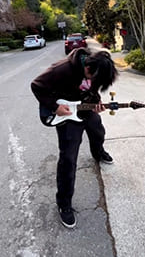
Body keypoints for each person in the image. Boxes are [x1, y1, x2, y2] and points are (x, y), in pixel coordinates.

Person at [31, 48, 118, 228]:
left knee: (98, 131)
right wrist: (55, 107)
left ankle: (98, 152)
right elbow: (36, 85)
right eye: (93, 77)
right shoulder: (62, 69)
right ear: (88, 66)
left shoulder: (95, 73)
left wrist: (97, 101)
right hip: (66, 114)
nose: (93, 81)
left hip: (84, 109)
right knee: (68, 159)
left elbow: (92, 89)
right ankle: (64, 204)